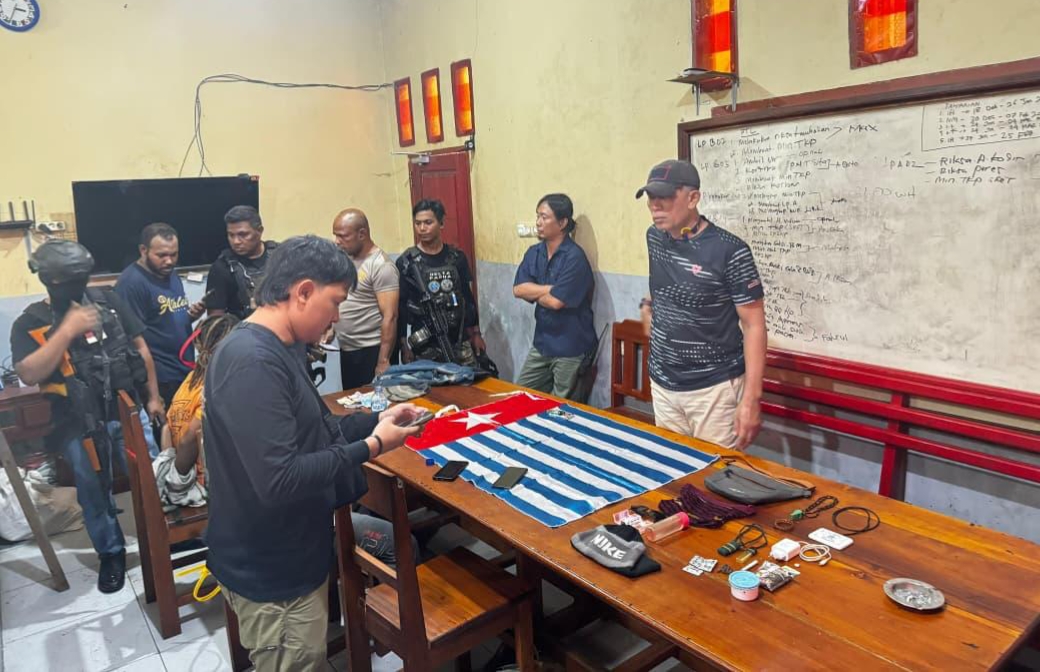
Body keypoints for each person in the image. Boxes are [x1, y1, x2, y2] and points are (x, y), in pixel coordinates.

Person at [203, 235, 424, 670]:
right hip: (271, 569)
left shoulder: (280, 347)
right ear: (303, 291)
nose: (336, 317)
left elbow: (313, 430)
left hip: (292, 546)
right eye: (335, 302)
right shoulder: (252, 360)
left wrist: (375, 421)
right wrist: (373, 446)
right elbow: (279, 478)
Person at [10, 240, 162, 593]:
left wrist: (153, 397)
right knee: (94, 493)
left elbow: (141, 349)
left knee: (151, 478)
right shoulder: (31, 322)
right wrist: (66, 330)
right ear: (49, 279)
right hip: (76, 423)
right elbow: (29, 373)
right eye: (69, 279)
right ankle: (111, 553)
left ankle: (164, 534)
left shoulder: (108, 301)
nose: (77, 284)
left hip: (127, 411)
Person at [637, 159, 767, 451]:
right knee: (672, 466)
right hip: (663, 382)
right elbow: (664, 285)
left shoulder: (730, 250)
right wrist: (647, 305)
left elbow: (754, 325)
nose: (655, 205)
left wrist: (751, 399)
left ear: (693, 198)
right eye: (650, 197)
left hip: (713, 389)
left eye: (665, 196)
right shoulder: (654, 237)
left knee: (716, 472)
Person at [513, 194, 597, 399]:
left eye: (544, 217)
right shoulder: (535, 252)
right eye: (537, 216)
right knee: (519, 396)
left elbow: (556, 302)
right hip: (542, 343)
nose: (538, 222)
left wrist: (535, 291)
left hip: (571, 346)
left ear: (562, 223)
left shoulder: (574, 257)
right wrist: (549, 288)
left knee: (560, 406)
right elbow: (518, 289)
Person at [115, 222, 206, 407]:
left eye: (174, 254)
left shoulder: (169, 273)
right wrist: (153, 397)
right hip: (160, 379)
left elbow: (163, 319)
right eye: (162, 255)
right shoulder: (131, 284)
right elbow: (134, 342)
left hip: (184, 370)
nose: (169, 261)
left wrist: (191, 317)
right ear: (143, 250)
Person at [152, 313, 238, 508]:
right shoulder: (216, 387)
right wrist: (177, 481)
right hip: (199, 482)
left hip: (179, 466)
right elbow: (190, 438)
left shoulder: (191, 378)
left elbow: (166, 429)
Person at [396, 199, 486, 366]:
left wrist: (476, 333)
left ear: (441, 223)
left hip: (458, 339)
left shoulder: (456, 258)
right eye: (417, 223)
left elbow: (467, 298)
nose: (422, 228)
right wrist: (403, 345)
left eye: (428, 222)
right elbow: (400, 306)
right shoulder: (406, 262)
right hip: (424, 344)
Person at [330, 208, 400, 389]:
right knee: (352, 401)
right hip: (349, 350)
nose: (337, 241)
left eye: (343, 236)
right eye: (335, 235)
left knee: (374, 404)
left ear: (362, 234)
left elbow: (390, 316)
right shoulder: (347, 260)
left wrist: (383, 360)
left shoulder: (381, 266)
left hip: (372, 351)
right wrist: (330, 328)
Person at [205, 205, 279, 319]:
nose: (236, 241)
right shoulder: (221, 268)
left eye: (243, 235)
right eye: (231, 235)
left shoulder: (282, 257)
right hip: (242, 328)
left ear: (259, 231)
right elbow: (215, 320)